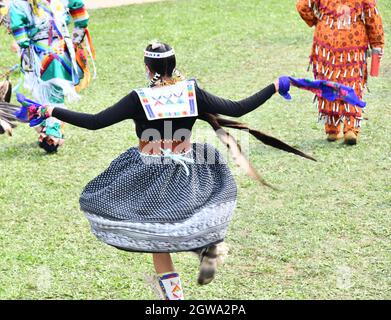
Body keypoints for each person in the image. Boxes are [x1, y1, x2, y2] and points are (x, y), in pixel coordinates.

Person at [23, 42, 313, 300]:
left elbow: (96, 122)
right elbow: (238, 109)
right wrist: (274, 85)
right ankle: (207, 250)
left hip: (149, 172)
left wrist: (51, 111)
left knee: (156, 238)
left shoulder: (139, 98)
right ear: (173, 65)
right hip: (189, 169)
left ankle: (175, 298)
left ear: (148, 68)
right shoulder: (192, 92)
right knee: (184, 221)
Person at [8, 0, 93, 153]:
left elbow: (18, 28)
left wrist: (25, 46)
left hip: (46, 53)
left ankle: (52, 130)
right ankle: (49, 128)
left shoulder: (19, 4)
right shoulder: (21, 4)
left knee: (51, 94)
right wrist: (77, 34)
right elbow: (78, 9)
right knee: (48, 94)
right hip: (55, 50)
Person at [296, 0, 385, 145]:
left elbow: (303, 6)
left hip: (326, 39)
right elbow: (372, 19)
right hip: (353, 41)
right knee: (353, 82)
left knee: (327, 81)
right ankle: (350, 128)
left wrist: (318, 19)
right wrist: (377, 44)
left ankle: (332, 129)